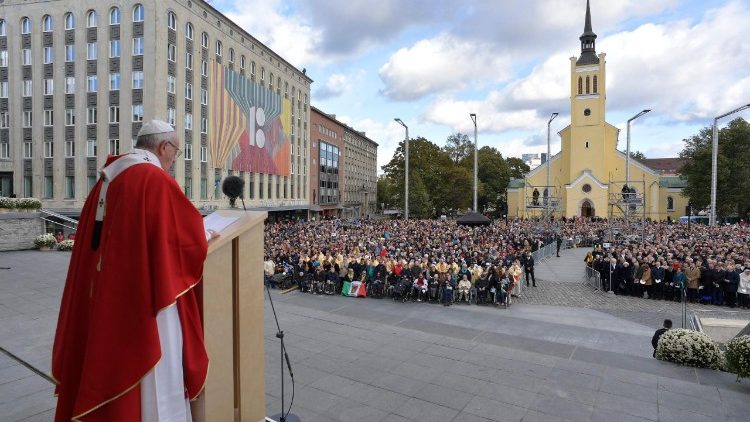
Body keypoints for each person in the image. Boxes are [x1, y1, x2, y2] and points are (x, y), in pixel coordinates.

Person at [52, 120, 219, 421]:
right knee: (152, 371)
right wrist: (205, 235)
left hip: (110, 294)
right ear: (163, 147)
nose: (172, 161)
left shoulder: (107, 179)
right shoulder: (153, 179)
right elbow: (182, 237)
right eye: (176, 153)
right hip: (147, 298)